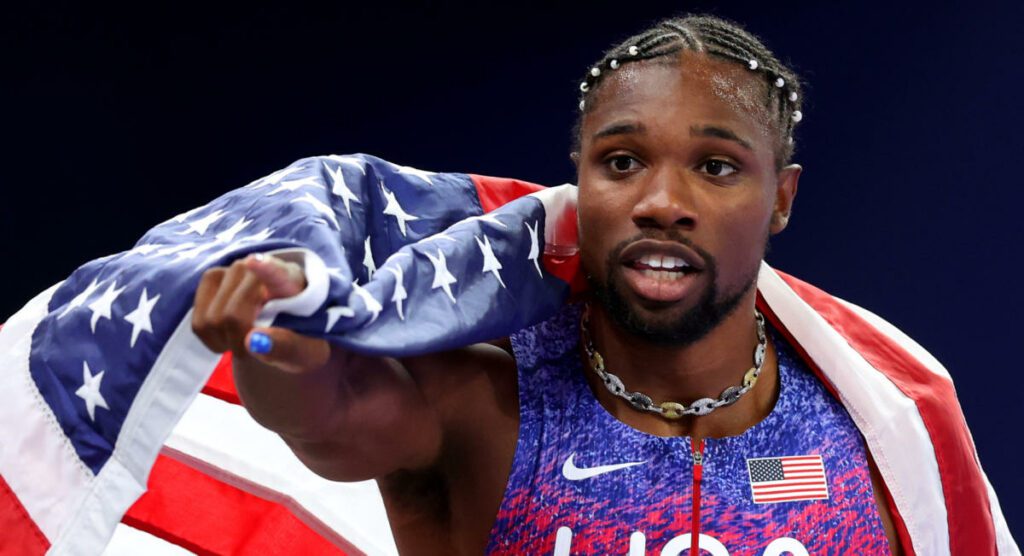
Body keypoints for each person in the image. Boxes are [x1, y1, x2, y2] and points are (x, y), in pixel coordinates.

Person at [190, 14, 1016, 556]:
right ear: (579, 185)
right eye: (622, 162)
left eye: (716, 167)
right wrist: (275, 342)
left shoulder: (877, 435)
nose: (662, 203)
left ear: (781, 200)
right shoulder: (484, 402)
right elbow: (327, 414)